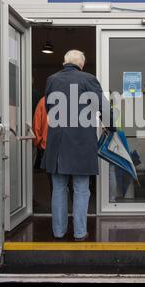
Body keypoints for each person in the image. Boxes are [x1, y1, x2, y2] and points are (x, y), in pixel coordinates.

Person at [44, 50, 115, 241]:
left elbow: (49, 109)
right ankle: (80, 233)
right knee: (81, 189)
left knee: (58, 189)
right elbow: (104, 108)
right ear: (81, 64)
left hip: (57, 142)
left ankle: (58, 232)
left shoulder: (52, 79)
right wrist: (111, 127)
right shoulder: (88, 79)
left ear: (64, 61)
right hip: (81, 143)